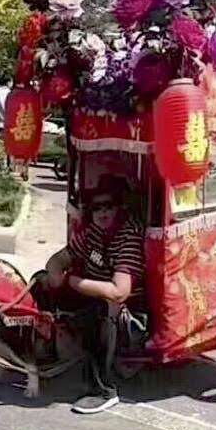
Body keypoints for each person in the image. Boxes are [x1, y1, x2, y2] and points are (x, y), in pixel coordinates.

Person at [42, 174, 145, 414]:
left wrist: (72, 281)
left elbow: (119, 292)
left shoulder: (127, 236)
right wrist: (55, 273)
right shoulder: (93, 233)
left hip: (128, 310)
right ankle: (44, 354)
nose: (101, 212)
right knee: (41, 283)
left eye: (107, 205)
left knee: (102, 313)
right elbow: (58, 259)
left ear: (119, 207)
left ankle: (104, 389)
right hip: (93, 292)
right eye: (96, 207)